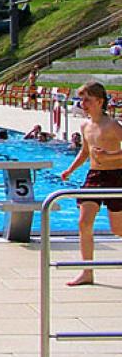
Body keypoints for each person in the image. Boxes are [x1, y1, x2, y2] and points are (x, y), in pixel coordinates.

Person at [60, 81, 122, 286]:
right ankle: (87, 271)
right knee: (84, 223)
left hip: (115, 176)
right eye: (81, 99)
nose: (83, 103)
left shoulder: (112, 125)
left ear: (99, 101)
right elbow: (85, 152)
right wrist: (70, 169)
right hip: (94, 176)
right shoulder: (85, 125)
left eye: (87, 99)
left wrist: (110, 156)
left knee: (118, 229)